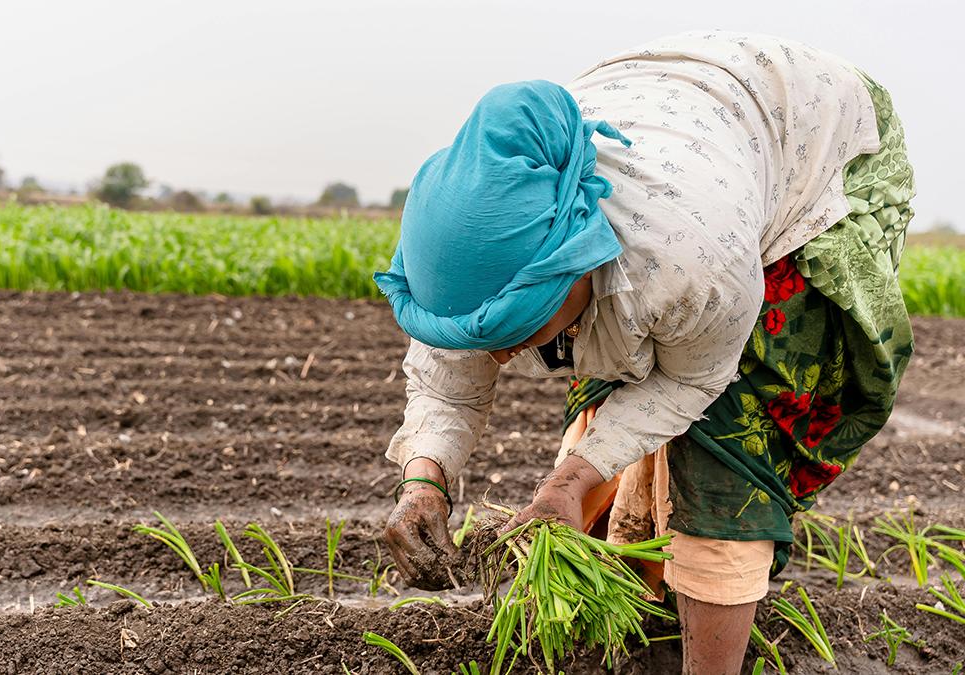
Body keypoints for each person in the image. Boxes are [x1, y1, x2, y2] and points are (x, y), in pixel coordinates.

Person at [375, 31, 914, 674]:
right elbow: (445, 379)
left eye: (523, 327)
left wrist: (570, 481)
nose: (506, 352)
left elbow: (692, 382)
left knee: (726, 446)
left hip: (820, 146)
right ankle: (642, 621)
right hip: (692, 120)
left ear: (579, 260)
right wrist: (423, 482)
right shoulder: (470, 238)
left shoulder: (688, 262)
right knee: (607, 393)